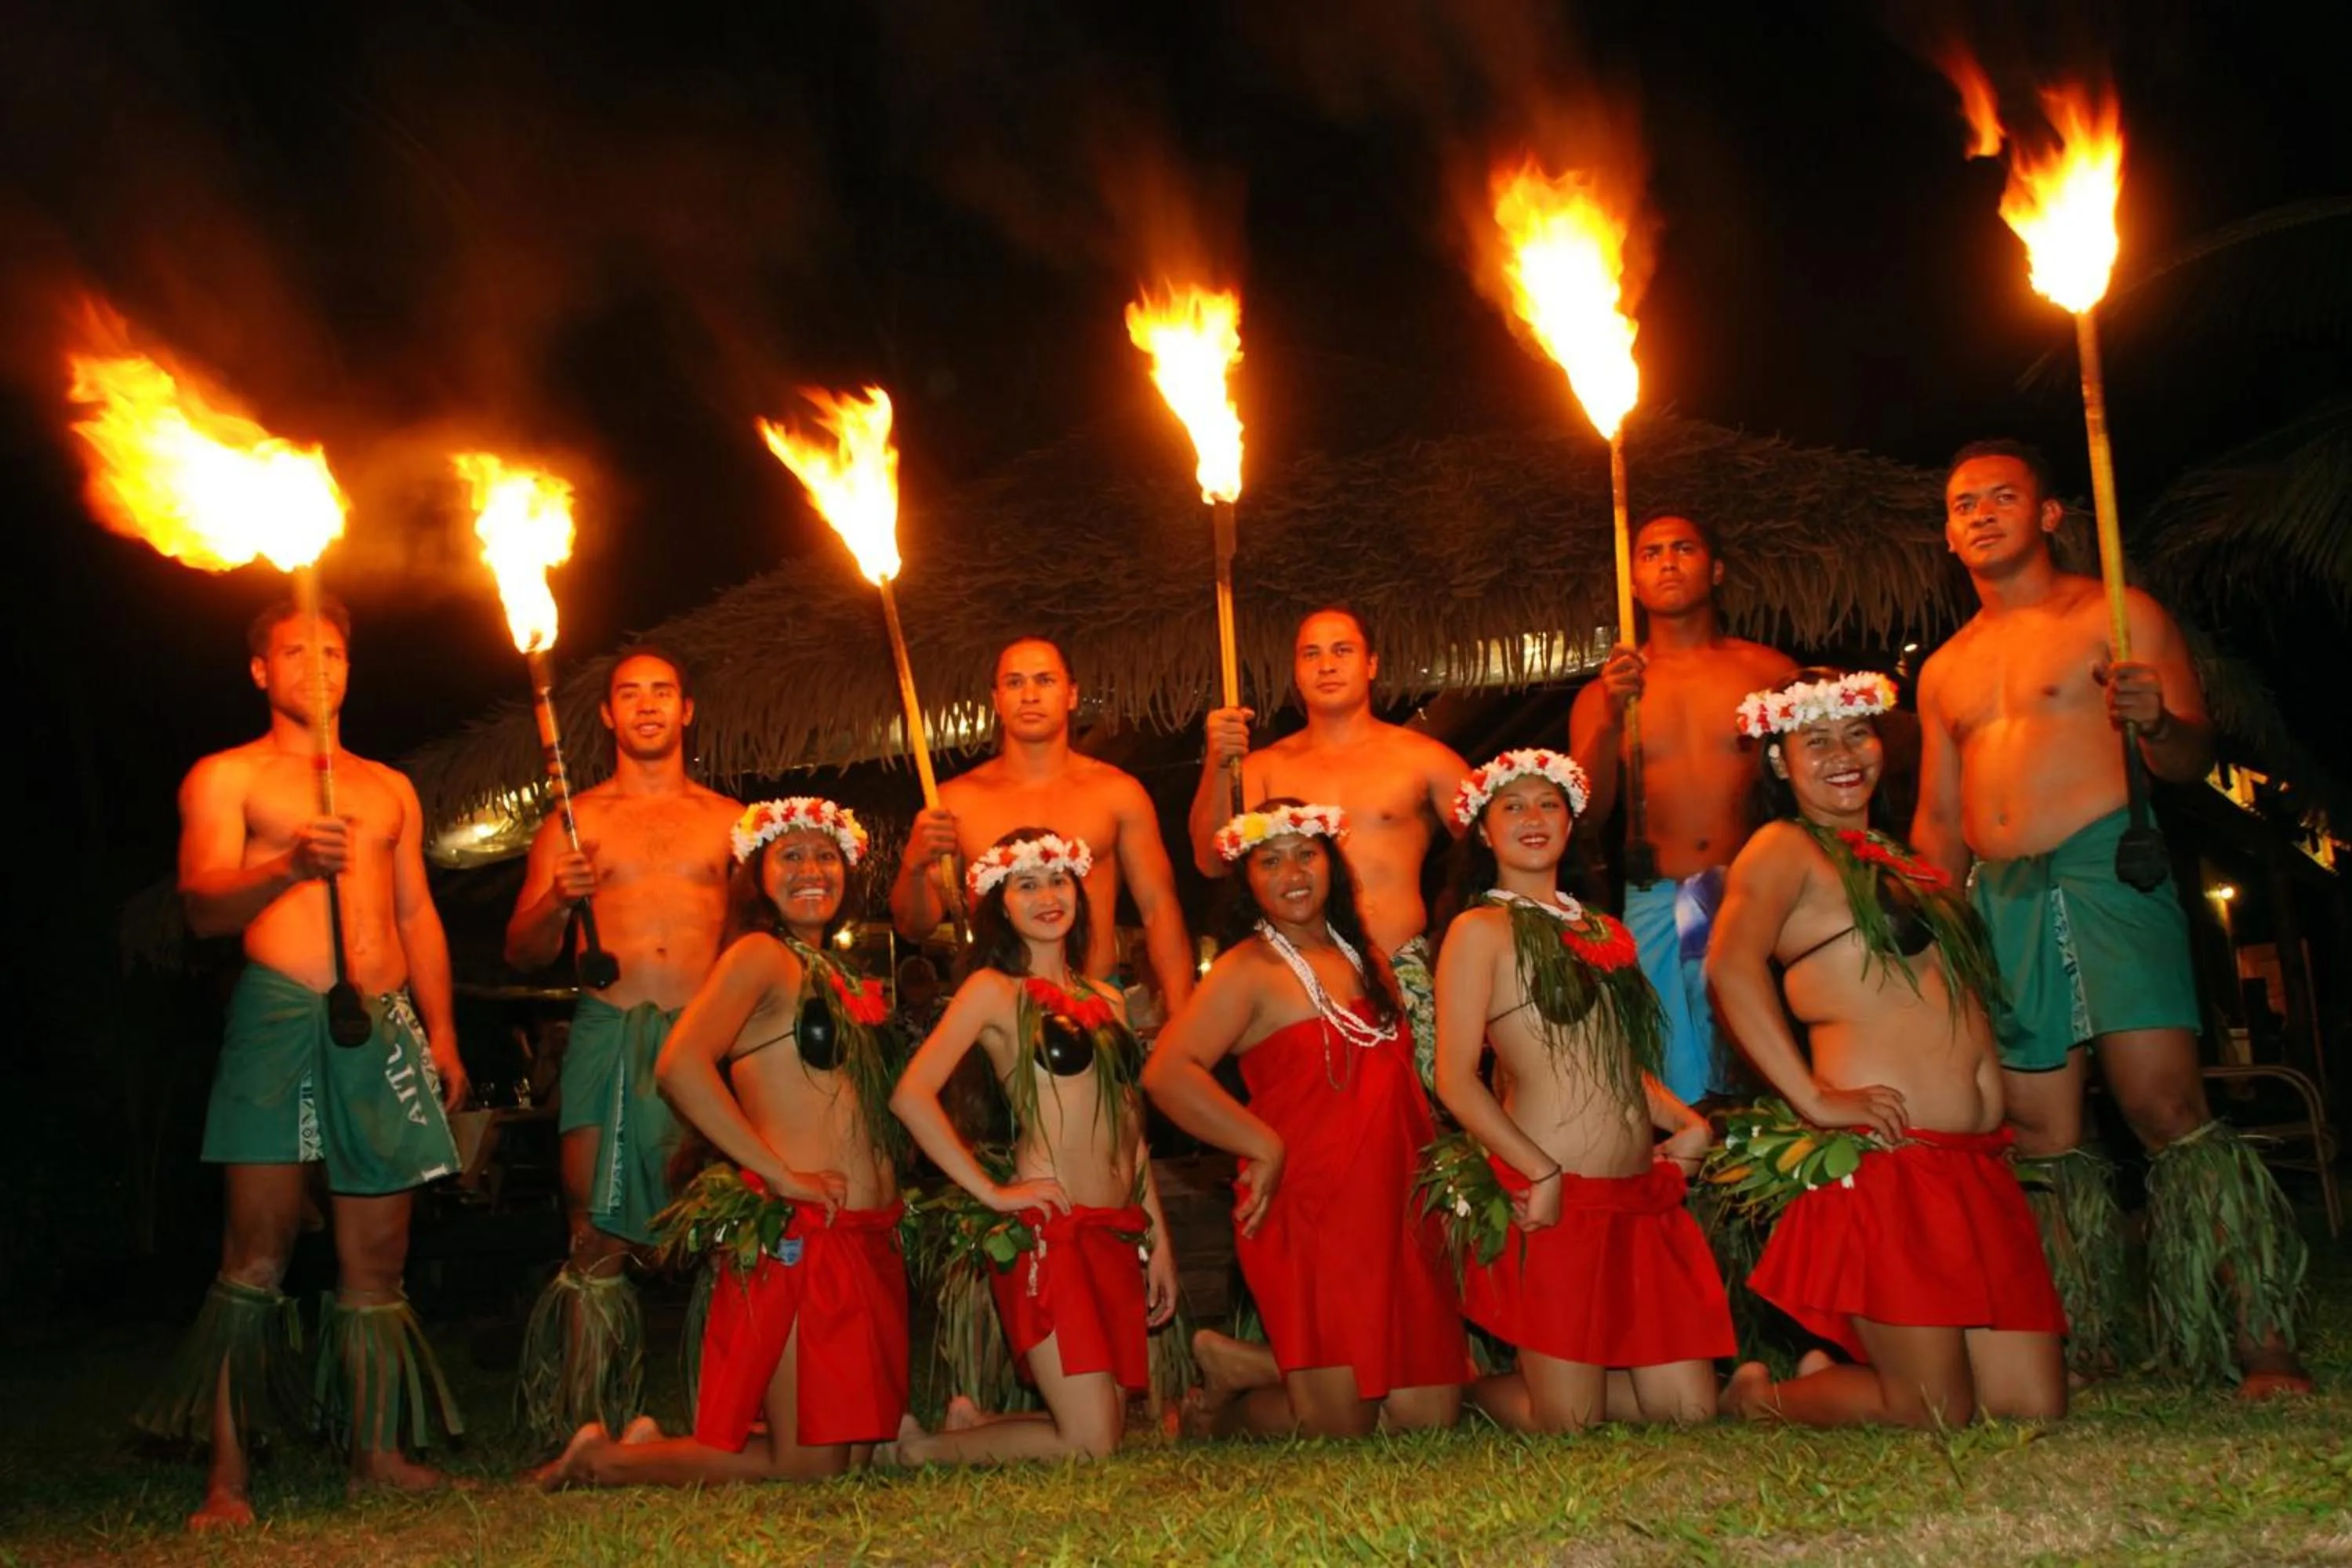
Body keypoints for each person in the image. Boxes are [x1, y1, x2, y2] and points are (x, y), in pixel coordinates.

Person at [1913, 441, 2307, 1393]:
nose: (1982, 513)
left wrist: (2158, 720)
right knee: (2039, 1133)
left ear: (2049, 513)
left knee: (2164, 1106)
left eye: (2005, 495)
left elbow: (2184, 760)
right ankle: (2077, 1331)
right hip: (1998, 894)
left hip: (2107, 866)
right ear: (1949, 531)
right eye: (1965, 503)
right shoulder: (1946, 668)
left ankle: (2259, 1335)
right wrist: (1926, 929)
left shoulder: (2120, 616)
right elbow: (1938, 816)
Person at [132, 598, 467, 1530]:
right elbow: (200, 907)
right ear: (260, 672)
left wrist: (440, 1032)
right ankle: (228, 1476)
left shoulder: (389, 786)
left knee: (378, 1256)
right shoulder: (226, 775)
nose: (317, 666)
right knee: (258, 1248)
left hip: (383, 1021)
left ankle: (376, 1451)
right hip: (280, 1016)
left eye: (332, 651)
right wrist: (284, 866)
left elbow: (415, 915)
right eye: (294, 652)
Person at [1709, 669, 2067, 1428]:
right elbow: (1728, 966)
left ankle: (1837, 1367)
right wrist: (1811, 1096)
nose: (1844, 753)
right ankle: (1762, 1395)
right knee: (1934, 1411)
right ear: (1779, 760)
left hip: (1970, 1164)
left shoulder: (1904, 858)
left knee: (2029, 1406)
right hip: (1888, 1162)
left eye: (1857, 733)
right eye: (1816, 740)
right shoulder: (1784, 847)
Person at [531, 797, 909, 1486]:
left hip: (859, 1233)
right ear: (756, 874)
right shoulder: (759, 956)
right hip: (802, 1235)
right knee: (811, 1465)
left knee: (854, 1453)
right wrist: (778, 1173)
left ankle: (653, 1442)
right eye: (788, 856)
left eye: (825, 854)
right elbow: (679, 1064)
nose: (810, 869)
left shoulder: (840, 975)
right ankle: (605, 1459)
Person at [1145, 801, 1467, 1439]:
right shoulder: (1246, 969)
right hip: (1313, 1205)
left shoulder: (1368, 958)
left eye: (1306, 853)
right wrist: (1260, 1144)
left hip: (1396, 1197)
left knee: (1427, 1419)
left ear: (1332, 864)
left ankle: (1246, 1363)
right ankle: (1226, 1413)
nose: (1291, 871)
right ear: (1249, 880)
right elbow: (1166, 1073)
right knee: (1340, 1426)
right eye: (1269, 860)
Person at [1432, 750, 1729, 1432]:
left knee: (1688, 1414)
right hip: (1555, 1202)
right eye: (1512, 806)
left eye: (1548, 805)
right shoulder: (1479, 931)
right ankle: (1477, 1393)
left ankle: (1537, 1384)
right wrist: (1538, 1168)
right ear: (1483, 829)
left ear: (1570, 822)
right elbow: (1453, 1077)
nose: (1533, 819)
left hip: (1635, 1197)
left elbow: (1620, 1060)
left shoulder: (1605, 932)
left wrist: (1687, 1123)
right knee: (1570, 1427)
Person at [503, 646, 740, 1446]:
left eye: (662, 691)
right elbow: (525, 949)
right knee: (593, 1228)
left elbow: (753, 941)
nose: (646, 705)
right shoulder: (576, 821)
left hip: (703, 1034)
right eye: (628, 694)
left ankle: (726, 1410)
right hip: (609, 1024)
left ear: (687, 709)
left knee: (720, 1221)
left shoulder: (729, 818)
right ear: (606, 715)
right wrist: (553, 899)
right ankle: (588, 1418)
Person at [885, 829, 1180, 1464]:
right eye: (1026, 885)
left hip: (1114, 1228)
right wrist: (993, 1191)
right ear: (1000, 904)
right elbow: (911, 1095)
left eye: (1058, 880)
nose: (1048, 896)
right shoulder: (994, 992)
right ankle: (918, 1451)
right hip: (1052, 1230)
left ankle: (978, 1423)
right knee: (1091, 1443)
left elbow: (1131, 1130)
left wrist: (1156, 1240)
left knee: (1110, 1423)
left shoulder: (1106, 998)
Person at [1569, 514, 1798, 1105]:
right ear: (1634, 584)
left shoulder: (1768, 673)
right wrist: (1612, 718)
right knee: (1679, 1080)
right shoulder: (1605, 694)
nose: (1667, 562)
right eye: (1649, 554)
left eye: (1684, 548)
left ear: (1715, 570)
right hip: (1656, 897)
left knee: (1765, 1066)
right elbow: (1586, 816)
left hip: (1756, 893)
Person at [1188, 608, 1470, 1087]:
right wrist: (1220, 762)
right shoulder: (1262, 767)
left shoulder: (1423, 759)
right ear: (1296, 672)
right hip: (1294, 979)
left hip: (1398, 967)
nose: (1326, 665)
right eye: (1311, 654)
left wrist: (1469, 940)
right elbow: (1210, 860)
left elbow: (1497, 843)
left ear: (1372, 663)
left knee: (1416, 1126)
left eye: (1342, 650)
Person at [891, 637, 1195, 1011]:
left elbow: (1159, 908)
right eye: (1015, 682)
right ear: (997, 700)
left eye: (1045, 680)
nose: (1030, 695)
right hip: (998, 1010)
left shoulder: (1117, 792)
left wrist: (1181, 1015)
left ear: (1071, 694)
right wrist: (914, 865)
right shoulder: (956, 800)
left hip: (1095, 1000)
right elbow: (914, 927)